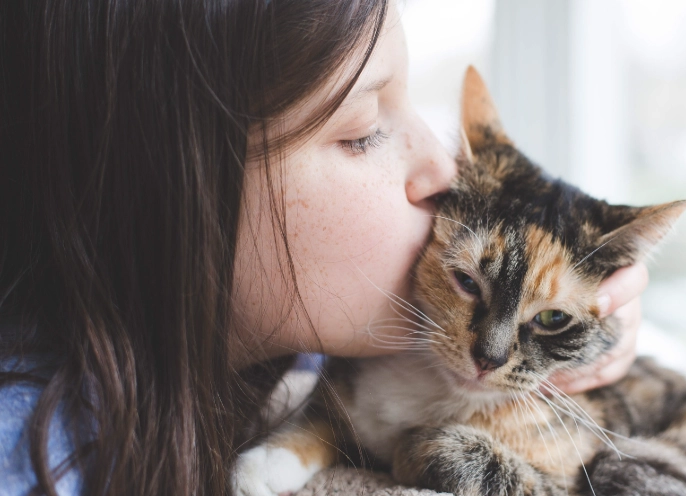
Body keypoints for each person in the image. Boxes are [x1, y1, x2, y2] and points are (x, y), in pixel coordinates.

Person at [0, 1, 648, 495]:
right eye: (365, 131)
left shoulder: (294, 351)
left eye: (411, 101)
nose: (444, 170)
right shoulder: (33, 458)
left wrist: (576, 317)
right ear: (170, 186)